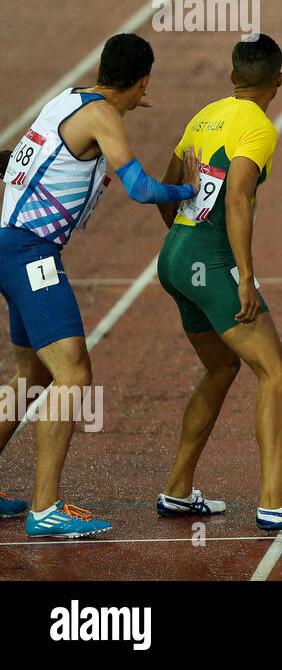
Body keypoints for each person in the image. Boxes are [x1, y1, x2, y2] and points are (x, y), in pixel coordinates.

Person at [0, 33, 198, 538]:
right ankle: (45, 510)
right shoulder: (102, 116)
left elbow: (17, 157)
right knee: (73, 375)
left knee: (31, 379)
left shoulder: (66, 99)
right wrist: (189, 189)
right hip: (30, 254)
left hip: (10, 246)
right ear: (143, 81)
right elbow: (140, 189)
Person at [154, 35, 282, 534]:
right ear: (279, 79)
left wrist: (182, 238)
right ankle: (275, 502)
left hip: (174, 257)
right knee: (279, 372)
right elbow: (237, 198)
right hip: (211, 261)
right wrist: (245, 278)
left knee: (220, 367)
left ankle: (176, 490)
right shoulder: (258, 128)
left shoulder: (204, 115)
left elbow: (168, 186)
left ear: (232, 77)